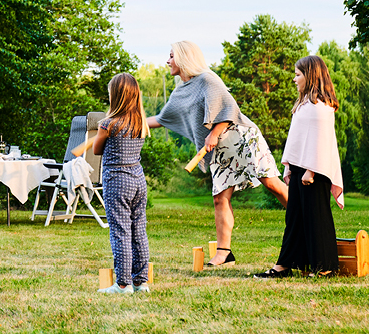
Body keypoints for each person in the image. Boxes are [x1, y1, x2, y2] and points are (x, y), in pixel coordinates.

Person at [148, 41, 288, 267]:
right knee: (219, 197)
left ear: (184, 58)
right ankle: (224, 253)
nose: (168, 61)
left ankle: (304, 223)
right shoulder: (180, 90)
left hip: (240, 137)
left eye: (172, 56)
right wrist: (127, 123)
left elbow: (229, 108)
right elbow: (161, 119)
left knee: (271, 183)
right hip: (220, 148)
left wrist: (214, 132)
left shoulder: (208, 79)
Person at [255, 55, 344, 278]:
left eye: (297, 75)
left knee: (317, 217)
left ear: (310, 76)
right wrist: (291, 168)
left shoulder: (320, 107)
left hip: (314, 171)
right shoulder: (304, 104)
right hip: (300, 169)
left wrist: (311, 170)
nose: (294, 79)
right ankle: (285, 265)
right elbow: (298, 139)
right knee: (294, 217)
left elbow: (321, 141)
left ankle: (325, 267)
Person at [94, 73, 151, 294]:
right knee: (139, 231)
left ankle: (123, 284)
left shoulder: (108, 124)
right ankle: (141, 282)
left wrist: (101, 134)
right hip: (138, 180)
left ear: (115, 97)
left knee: (120, 232)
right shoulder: (140, 124)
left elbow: (97, 150)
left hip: (117, 181)